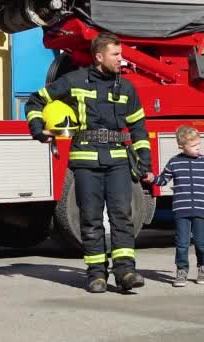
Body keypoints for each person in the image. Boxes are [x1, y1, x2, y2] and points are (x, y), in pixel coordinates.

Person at [25, 32, 151, 293]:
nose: (121, 59)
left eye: (121, 54)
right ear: (99, 56)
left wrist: (145, 164)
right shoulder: (74, 80)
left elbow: (138, 128)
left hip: (118, 161)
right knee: (91, 218)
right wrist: (38, 129)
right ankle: (96, 275)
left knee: (122, 217)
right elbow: (35, 100)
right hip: (85, 162)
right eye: (115, 55)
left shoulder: (127, 88)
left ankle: (125, 271)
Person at [144, 125, 204, 287]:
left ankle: (203, 267)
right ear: (182, 146)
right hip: (181, 210)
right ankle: (181, 271)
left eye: (199, 145)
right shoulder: (174, 162)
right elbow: (163, 180)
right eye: (194, 146)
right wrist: (152, 178)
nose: (198, 148)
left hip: (200, 209)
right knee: (182, 243)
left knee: (200, 242)